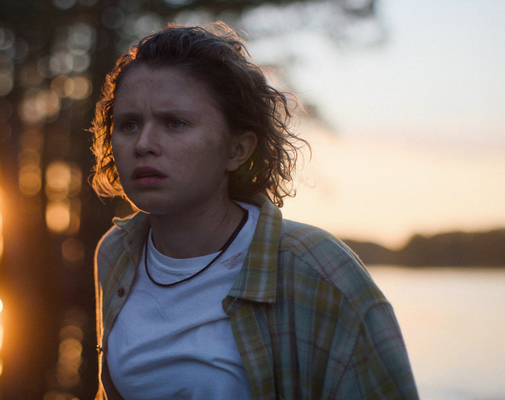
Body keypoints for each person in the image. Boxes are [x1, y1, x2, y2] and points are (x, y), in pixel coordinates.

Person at [90, 23, 418, 400]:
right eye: (129, 124)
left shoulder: (319, 272)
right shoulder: (117, 252)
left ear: (238, 150)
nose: (143, 143)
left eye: (174, 123)